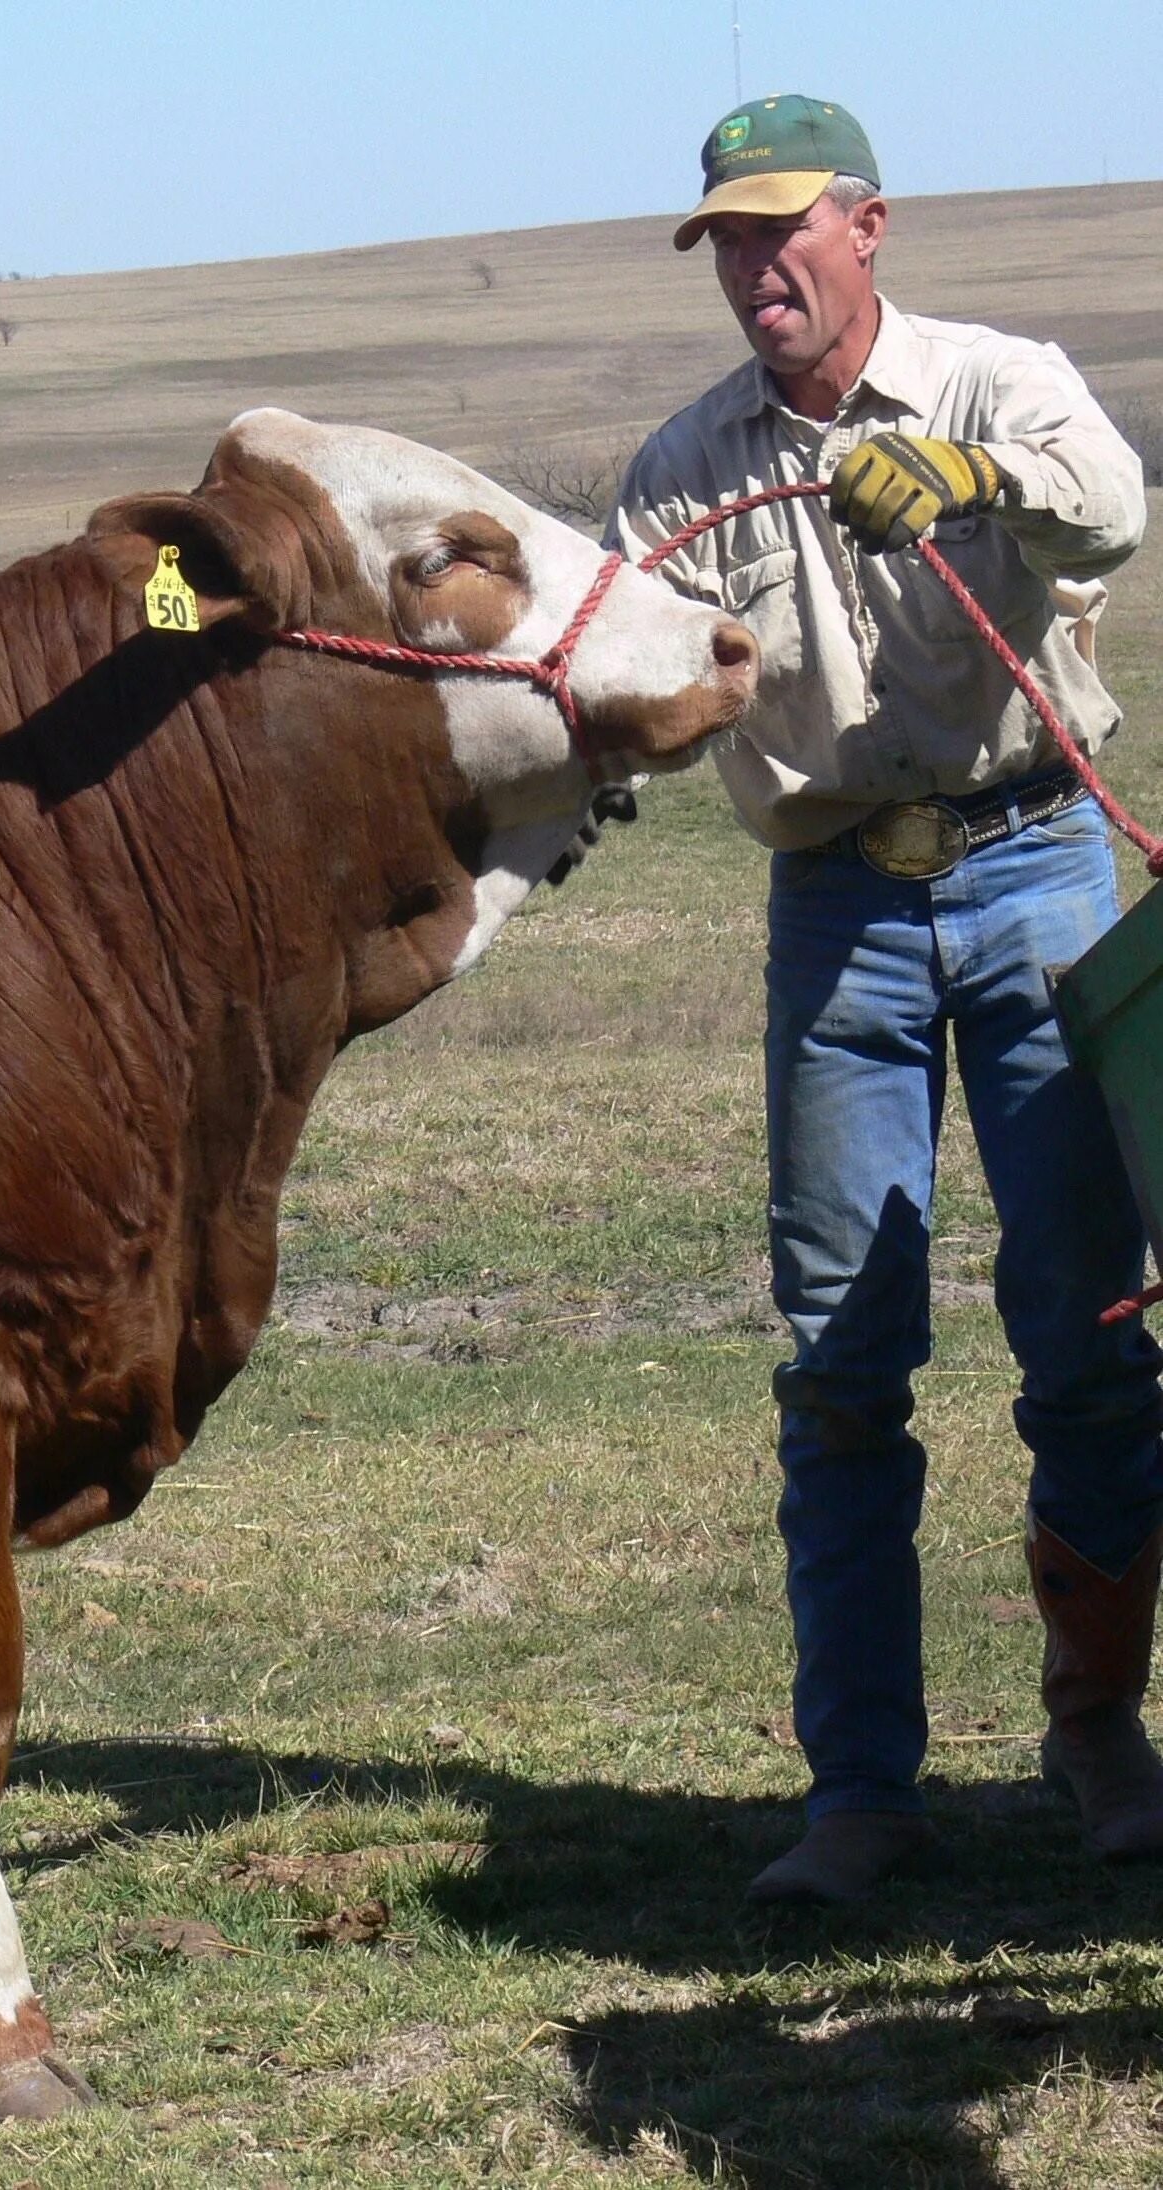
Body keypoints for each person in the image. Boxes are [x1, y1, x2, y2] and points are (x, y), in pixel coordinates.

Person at [613, 96, 1157, 1904]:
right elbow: (629, 666)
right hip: (835, 901)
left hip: (1037, 872)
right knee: (841, 1362)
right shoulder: (684, 468)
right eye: (726, 244)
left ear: (870, 227)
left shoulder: (1001, 382)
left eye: (783, 232)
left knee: (1088, 1337)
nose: (755, 270)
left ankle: (1095, 1730)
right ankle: (860, 1794)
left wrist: (978, 484)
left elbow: (1114, 514)